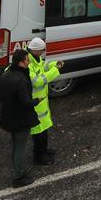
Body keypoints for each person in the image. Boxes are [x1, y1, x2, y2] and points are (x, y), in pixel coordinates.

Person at [0, 49, 40, 188]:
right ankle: (18, 176)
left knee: (15, 146)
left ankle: (17, 170)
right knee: (20, 148)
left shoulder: (6, 74)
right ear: (22, 63)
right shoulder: (21, 80)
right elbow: (25, 102)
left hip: (8, 117)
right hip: (20, 119)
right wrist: (36, 101)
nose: (29, 62)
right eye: (27, 60)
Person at [26, 37, 63, 166]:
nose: (43, 53)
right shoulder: (28, 64)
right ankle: (39, 157)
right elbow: (38, 81)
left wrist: (54, 64)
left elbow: (44, 66)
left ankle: (44, 150)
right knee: (38, 134)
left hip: (41, 103)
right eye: (42, 50)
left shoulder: (35, 59)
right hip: (35, 104)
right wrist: (55, 71)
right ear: (35, 50)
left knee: (44, 131)